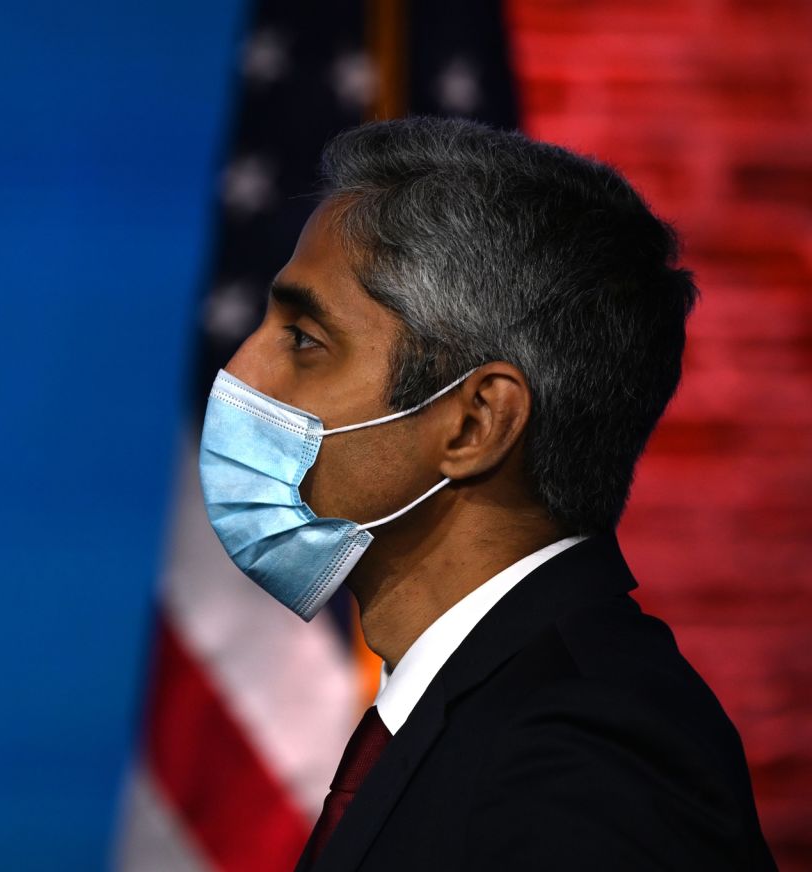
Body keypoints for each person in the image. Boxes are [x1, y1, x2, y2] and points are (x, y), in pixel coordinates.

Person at [198, 117, 776, 871]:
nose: (243, 373)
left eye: (305, 340)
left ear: (474, 424)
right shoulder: (493, 706)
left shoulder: (580, 760)